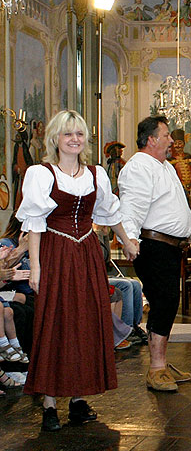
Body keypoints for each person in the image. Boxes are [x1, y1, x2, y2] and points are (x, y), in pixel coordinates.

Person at [16, 110, 139, 432]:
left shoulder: (97, 174)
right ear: (55, 138)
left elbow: (109, 213)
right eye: (68, 134)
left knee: (85, 324)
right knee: (55, 323)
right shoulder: (40, 174)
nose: (74, 139)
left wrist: (126, 242)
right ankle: (49, 404)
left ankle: (78, 400)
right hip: (55, 254)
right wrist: (37, 269)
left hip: (86, 255)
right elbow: (34, 226)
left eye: (79, 134)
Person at [118, 115, 191, 392]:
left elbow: (179, 206)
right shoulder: (138, 167)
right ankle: (156, 368)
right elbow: (130, 207)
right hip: (153, 246)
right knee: (163, 302)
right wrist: (130, 240)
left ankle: (163, 363)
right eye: (166, 135)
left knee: (168, 303)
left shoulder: (165, 166)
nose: (171, 140)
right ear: (152, 139)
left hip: (170, 247)